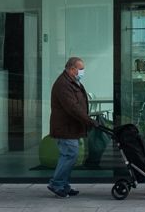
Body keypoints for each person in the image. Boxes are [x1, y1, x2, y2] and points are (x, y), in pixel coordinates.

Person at [47, 56, 92, 199]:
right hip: (65, 128)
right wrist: (89, 120)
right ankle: (57, 184)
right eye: (81, 69)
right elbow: (73, 108)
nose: (83, 72)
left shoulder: (72, 81)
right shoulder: (63, 84)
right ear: (72, 69)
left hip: (71, 127)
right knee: (69, 155)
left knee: (69, 156)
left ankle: (64, 185)